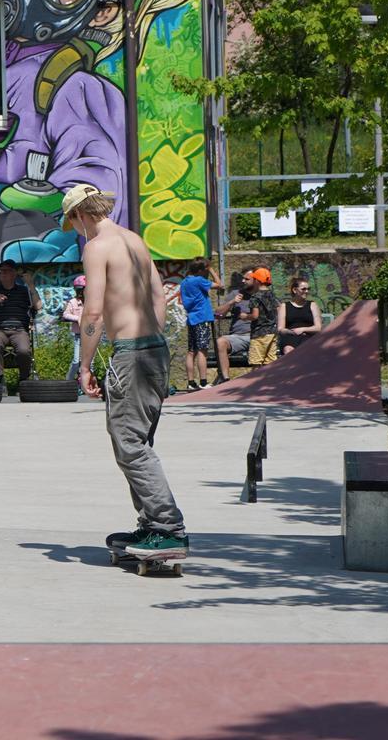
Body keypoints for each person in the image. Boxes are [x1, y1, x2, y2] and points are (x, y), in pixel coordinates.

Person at [63, 183, 187, 566]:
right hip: (155, 349)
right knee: (140, 440)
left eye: (73, 223)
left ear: (80, 215)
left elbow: (94, 313)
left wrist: (84, 366)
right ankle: (151, 522)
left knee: (129, 444)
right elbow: (158, 297)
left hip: (131, 355)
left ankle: (167, 528)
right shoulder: (134, 240)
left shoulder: (96, 247)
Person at [177, 259, 222, 393]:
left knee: (191, 351)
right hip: (202, 318)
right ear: (201, 270)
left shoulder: (184, 282)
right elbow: (219, 285)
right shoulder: (199, 281)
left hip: (192, 319)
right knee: (203, 350)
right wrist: (212, 271)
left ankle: (191, 382)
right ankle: (203, 381)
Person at [214, 269, 256, 375]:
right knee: (221, 342)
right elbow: (218, 315)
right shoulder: (236, 294)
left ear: (255, 280)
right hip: (238, 337)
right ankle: (225, 378)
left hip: (258, 336)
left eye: (246, 279)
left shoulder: (263, 296)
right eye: (243, 278)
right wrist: (232, 302)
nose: (243, 281)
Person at [277, 277, 324, 354]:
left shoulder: (312, 305)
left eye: (308, 289)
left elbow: (318, 327)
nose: (306, 291)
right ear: (295, 290)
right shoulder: (284, 306)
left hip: (308, 336)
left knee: (306, 349)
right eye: (303, 289)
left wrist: (302, 329)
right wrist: (292, 332)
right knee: (288, 350)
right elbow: (280, 329)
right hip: (290, 337)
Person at [245, 267, 280, 365]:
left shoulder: (255, 297)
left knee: (256, 363)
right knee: (270, 362)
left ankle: (256, 380)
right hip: (272, 332)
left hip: (259, 333)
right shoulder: (272, 295)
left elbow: (255, 316)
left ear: (257, 281)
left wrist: (245, 316)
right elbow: (279, 308)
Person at [61, 275, 87, 383]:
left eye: (83, 290)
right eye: (78, 290)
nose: (80, 293)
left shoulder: (93, 302)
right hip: (79, 335)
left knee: (90, 363)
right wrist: (78, 318)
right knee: (76, 361)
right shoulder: (73, 302)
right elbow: (65, 315)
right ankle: (69, 382)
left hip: (90, 336)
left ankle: (87, 383)